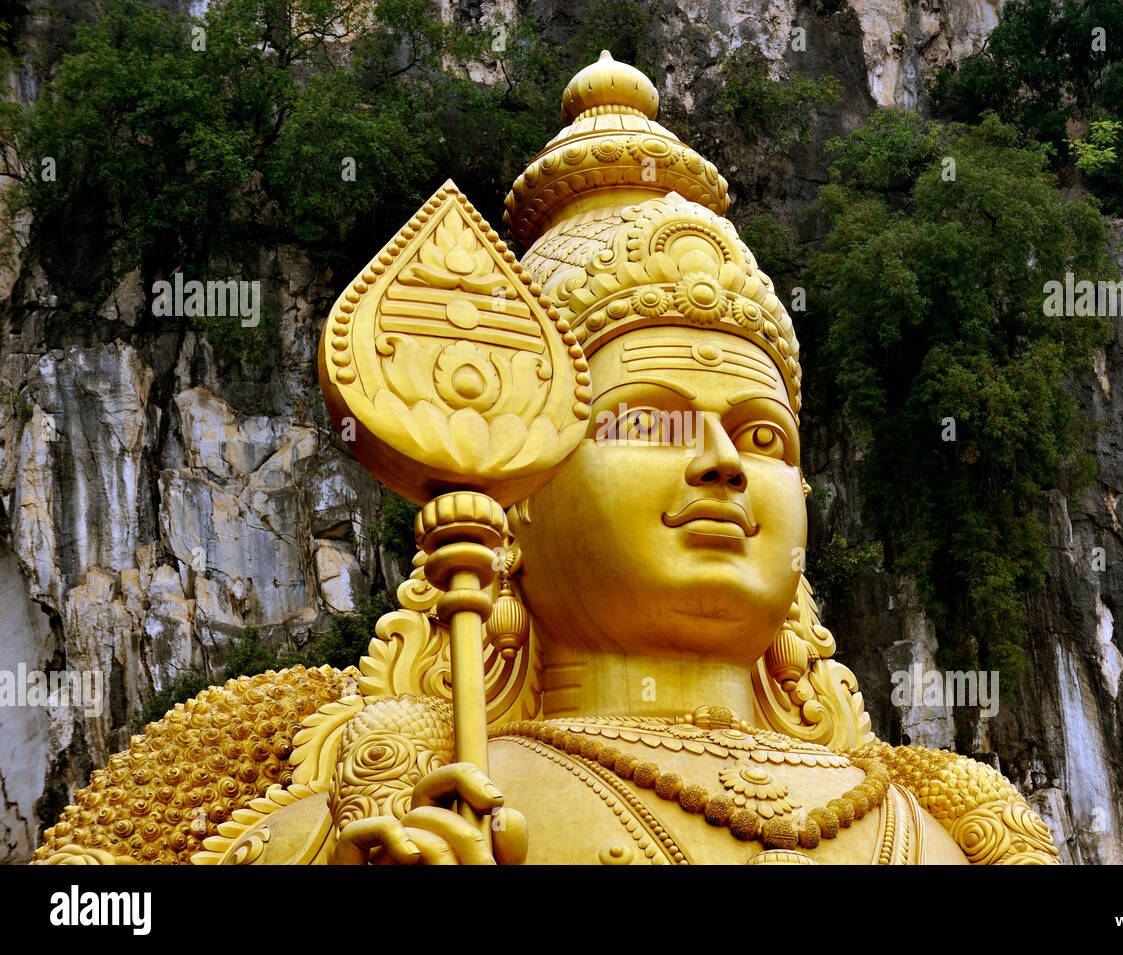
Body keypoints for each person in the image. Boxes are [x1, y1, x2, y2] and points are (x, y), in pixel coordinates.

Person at [35, 52, 1057, 866]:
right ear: (514, 488)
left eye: (762, 436)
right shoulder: (408, 793)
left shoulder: (951, 821)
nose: (720, 465)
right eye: (648, 421)